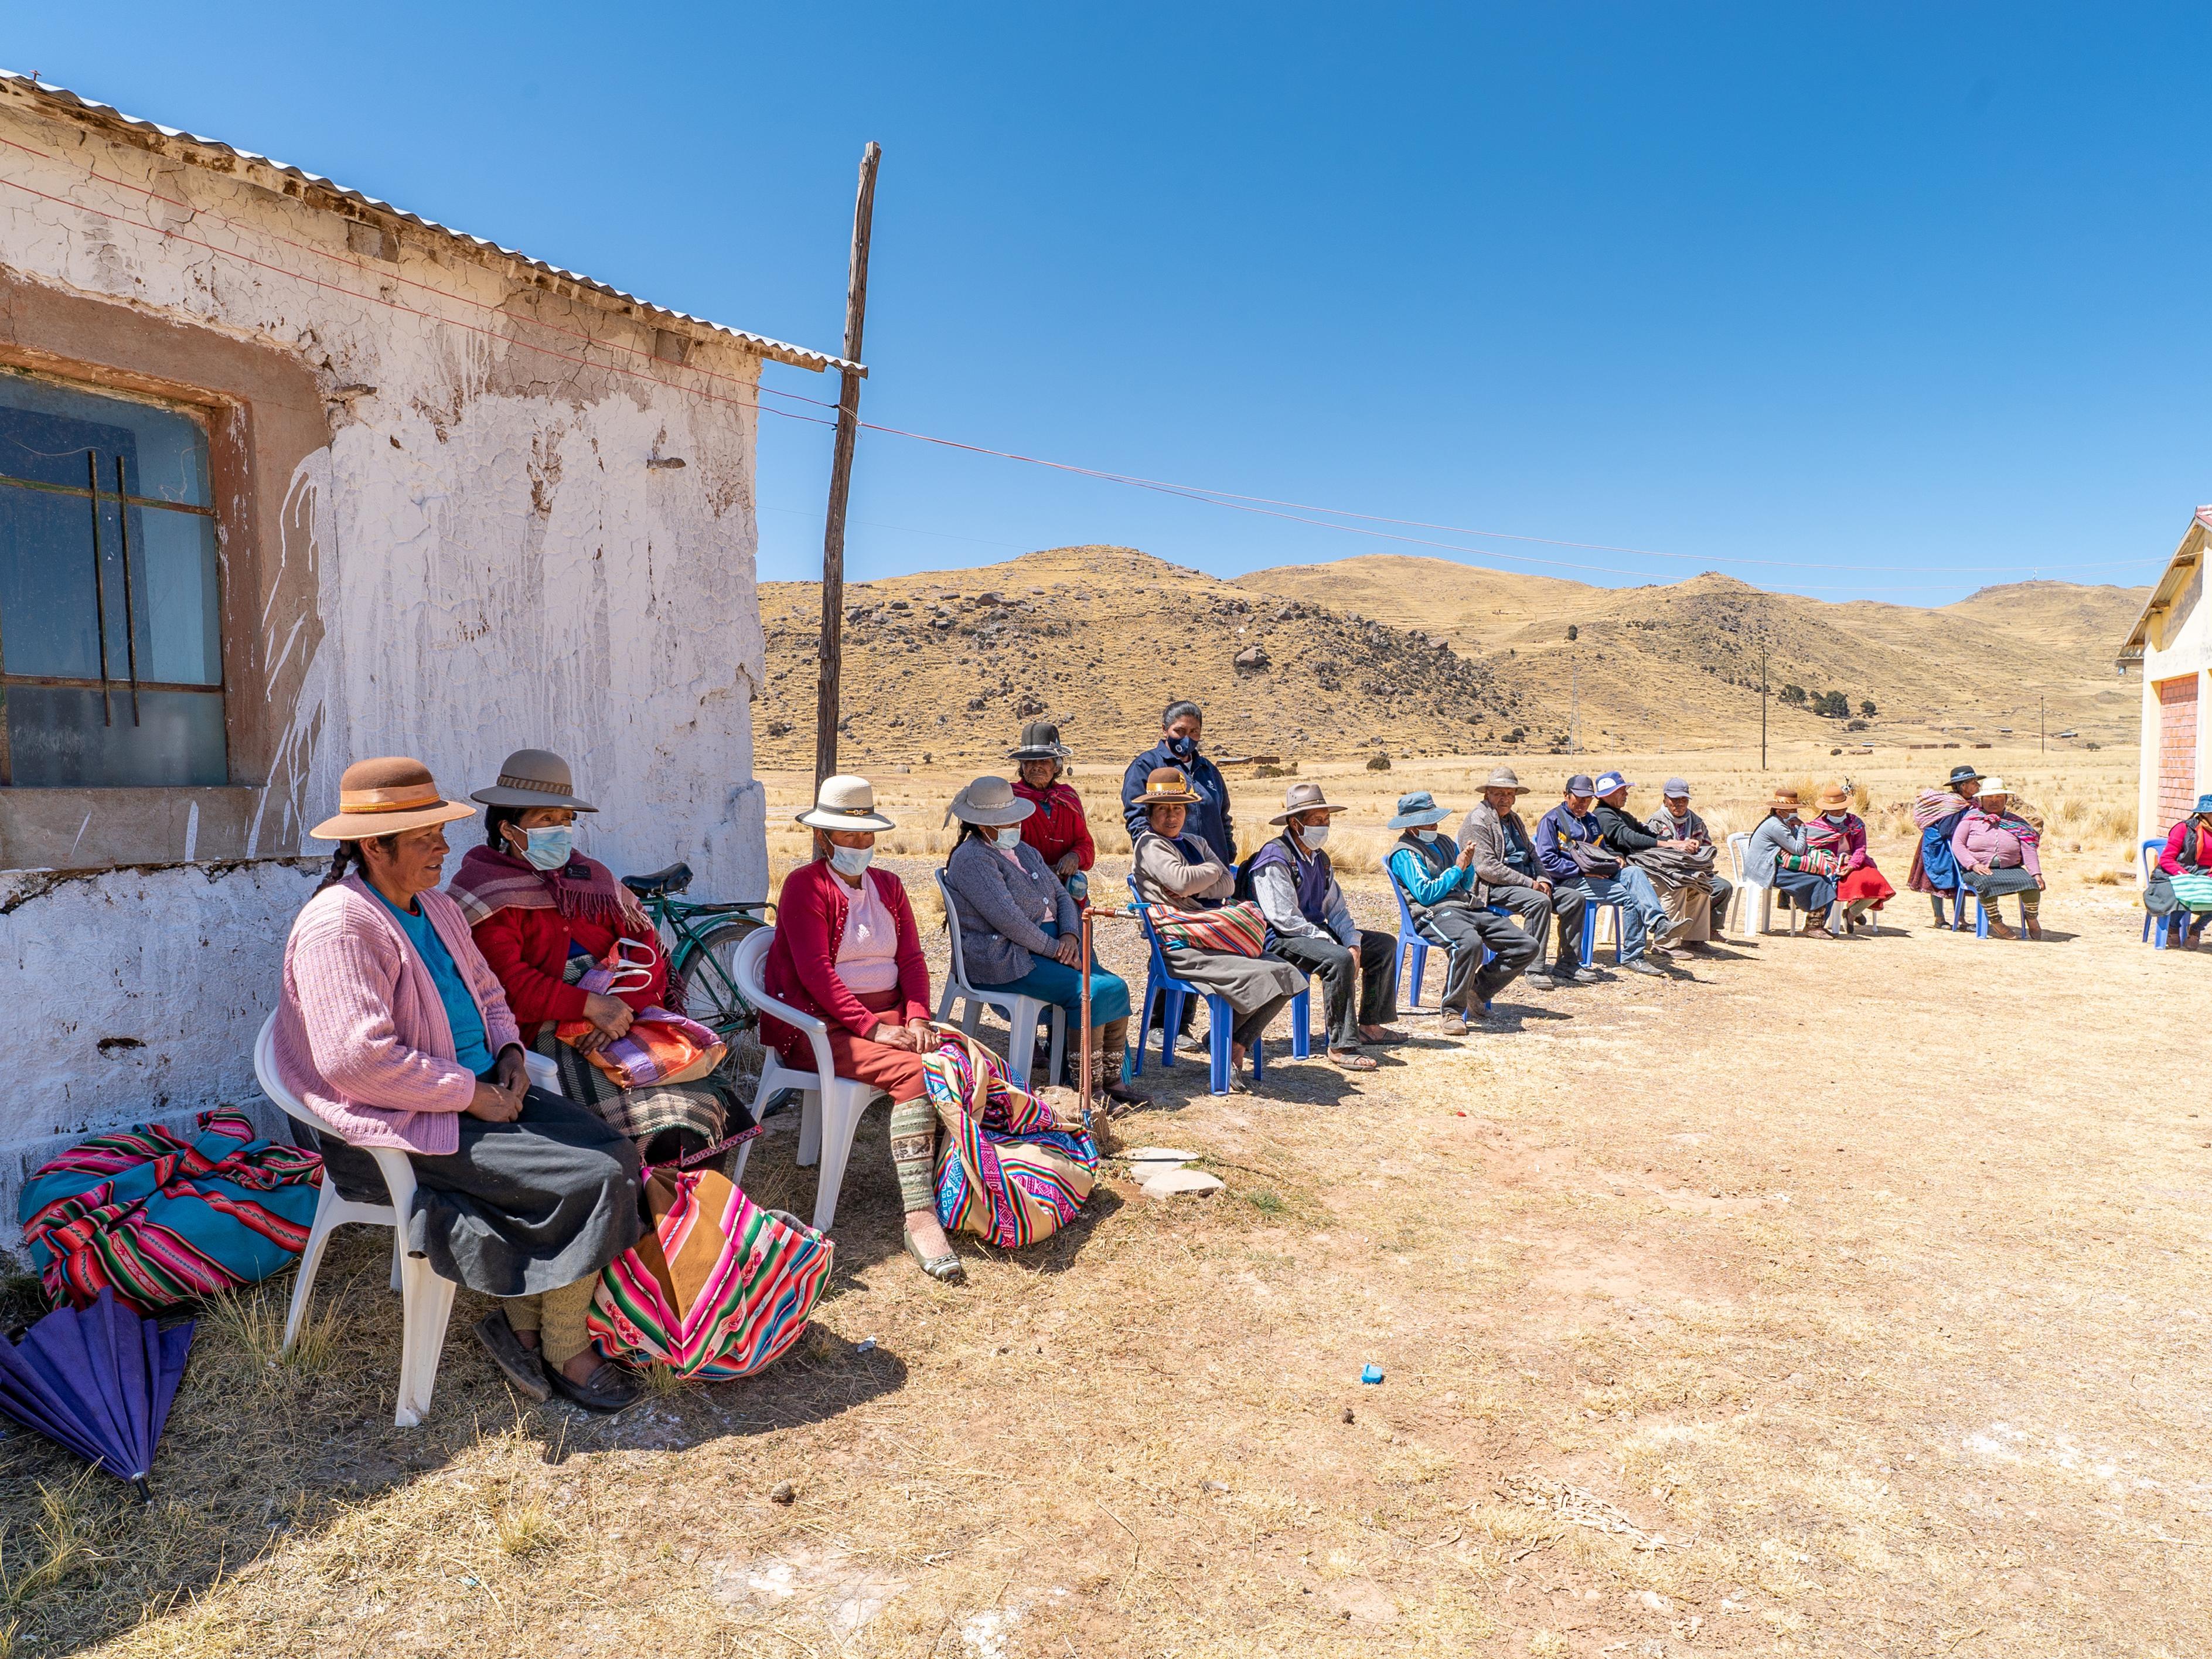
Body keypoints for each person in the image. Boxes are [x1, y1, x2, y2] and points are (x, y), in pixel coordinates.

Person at [272, 757, 643, 1412]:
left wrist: (508, 1053)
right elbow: (357, 1061)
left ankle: (520, 1325)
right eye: (424, 836)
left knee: (616, 1148)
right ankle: (562, 1346)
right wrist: (470, 1094)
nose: (443, 847)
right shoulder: (343, 926)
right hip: (400, 1124)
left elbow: (490, 993)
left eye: (440, 831)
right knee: (587, 1178)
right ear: (373, 845)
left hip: (477, 1095)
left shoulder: (437, 908)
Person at [448, 747, 749, 1170]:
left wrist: (622, 1011)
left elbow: (649, 953)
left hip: (623, 1014)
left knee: (702, 1094)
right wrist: (590, 1007)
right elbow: (508, 984)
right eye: (545, 820)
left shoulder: (591, 877)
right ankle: (650, 1214)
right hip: (546, 1028)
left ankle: (695, 1217)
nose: (561, 830)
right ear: (508, 828)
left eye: (566, 820)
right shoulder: (483, 888)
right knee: (655, 1124)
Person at [759, 775, 963, 1282]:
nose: (860, 845)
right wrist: (872, 1028)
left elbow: (913, 958)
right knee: (916, 1073)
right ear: (825, 837)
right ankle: (920, 1216)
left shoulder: (889, 887)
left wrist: (916, 1016)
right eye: (848, 837)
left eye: (866, 835)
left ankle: (966, 1187)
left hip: (883, 1018)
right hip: (818, 1028)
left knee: (957, 1055)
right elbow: (815, 973)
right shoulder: (805, 885)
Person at [942, 775, 1147, 1108]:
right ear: (982, 825)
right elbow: (1009, 921)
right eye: (1003, 821)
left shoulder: (1022, 850)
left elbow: (1062, 897)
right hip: (1006, 956)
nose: (1013, 826)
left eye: (1013, 819)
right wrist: (1058, 951)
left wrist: (1069, 935)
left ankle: (1112, 1082)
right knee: (1089, 992)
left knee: (1116, 986)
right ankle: (1087, 1090)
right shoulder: (973, 859)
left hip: (1045, 947)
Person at [1129, 767, 1306, 1089]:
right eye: (1164, 809)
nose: (1172, 816)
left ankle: (1232, 1042)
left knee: (1287, 972)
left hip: (1212, 937)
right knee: (1261, 974)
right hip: (1182, 946)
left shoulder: (1195, 842)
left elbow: (1225, 884)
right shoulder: (1150, 845)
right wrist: (1206, 874)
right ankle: (1230, 1051)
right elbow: (1185, 881)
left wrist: (1197, 881)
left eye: (1178, 808)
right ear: (1150, 812)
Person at [1248, 782, 1403, 1070]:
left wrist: (1354, 942)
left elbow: (1337, 909)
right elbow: (1284, 919)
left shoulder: (1320, 859)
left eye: (1326, 819)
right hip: (1280, 939)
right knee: (1338, 958)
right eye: (1317, 821)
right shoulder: (1275, 858)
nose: (1324, 826)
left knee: (1383, 946)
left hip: (1313, 933)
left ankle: (1370, 1024)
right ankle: (1342, 1043)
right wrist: (1334, 944)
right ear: (1296, 823)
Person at [1383, 789, 1540, 1034]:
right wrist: (1457, 868)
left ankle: (1476, 990)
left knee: (1526, 945)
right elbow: (1425, 894)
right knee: (1468, 943)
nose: (1434, 825)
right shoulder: (1405, 853)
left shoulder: (1443, 841)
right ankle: (1452, 1011)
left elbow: (1464, 886)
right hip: (1433, 914)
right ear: (1412, 826)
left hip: (1466, 906)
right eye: (1428, 822)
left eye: (1435, 820)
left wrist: (1467, 866)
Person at [1459, 765, 1595, 990]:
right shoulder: (1478, 820)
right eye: (1499, 793)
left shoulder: (1513, 819)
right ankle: (1534, 967)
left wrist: (1544, 879)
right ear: (1487, 795)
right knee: (1539, 901)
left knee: (1574, 899)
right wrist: (1530, 884)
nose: (1506, 799)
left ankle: (1568, 963)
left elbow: (1534, 854)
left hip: (1527, 882)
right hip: (1493, 887)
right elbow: (1486, 868)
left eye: (1510, 794)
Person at [1533, 774, 1682, 976]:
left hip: (1597, 874)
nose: (1583, 803)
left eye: (1588, 799)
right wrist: (1584, 871)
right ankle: (1633, 956)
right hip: (1568, 880)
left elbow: (1600, 850)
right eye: (1579, 798)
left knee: (1634, 873)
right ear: (1566, 795)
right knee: (1631, 897)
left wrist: (1613, 858)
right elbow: (1547, 861)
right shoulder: (1552, 820)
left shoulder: (1592, 820)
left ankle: (1659, 923)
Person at [1589, 770, 1710, 956]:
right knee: (1675, 883)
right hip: (1620, 874)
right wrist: (1672, 844)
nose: (1626, 794)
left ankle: (1694, 940)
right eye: (1622, 791)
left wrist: (1676, 843)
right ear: (1609, 794)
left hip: (1634, 870)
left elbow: (1645, 833)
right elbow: (1628, 838)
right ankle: (1665, 944)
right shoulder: (1603, 816)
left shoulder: (1623, 815)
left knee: (1698, 884)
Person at [1123, 700, 1235, 863]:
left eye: (1194, 731)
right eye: (1180, 731)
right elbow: (1138, 820)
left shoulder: (1209, 770)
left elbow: (1223, 816)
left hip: (1214, 869)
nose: (1187, 738)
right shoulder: (1146, 766)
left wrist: (1228, 851)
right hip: (1172, 869)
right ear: (1165, 730)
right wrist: (1158, 863)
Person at [1007, 721, 1095, 903]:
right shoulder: (1010, 799)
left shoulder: (1067, 798)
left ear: (1057, 766)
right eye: (1030, 761)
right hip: (1025, 891)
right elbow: (1003, 851)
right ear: (1022, 766)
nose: (1036, 766)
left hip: (1067, 890)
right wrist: (1043, 871)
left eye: (1044, 760)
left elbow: (1086, 845)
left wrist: (1075, 857)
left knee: (1081, 926)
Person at [1641, 778, 1734, 946]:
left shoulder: (1696, 821)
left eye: (1683, 799)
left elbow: (1708, 849)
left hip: (1693, 869)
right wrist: (1677, 849)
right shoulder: (1656, 822)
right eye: (1675, 800)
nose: (1679, 804)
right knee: (1681, 886)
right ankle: (1668, 943)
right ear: (1665, 799)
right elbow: (1651, 854)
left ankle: (1696, 939)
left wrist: (1697, 848)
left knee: (1711, 885)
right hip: (1666, 873)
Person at [1949, 777, 2044, 939]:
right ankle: (1996, 921)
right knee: (1986, 882)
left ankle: (2032, 917)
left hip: (2011, 869)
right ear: (1981, 800)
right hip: (1977, 869)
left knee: (2032, 884)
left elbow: (2029, 849)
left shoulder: (2017, 823)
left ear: (2006, 799)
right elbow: (1957, 844)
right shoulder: (1971, 819)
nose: (1994, 801)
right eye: (1989, 798)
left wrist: (2036, 873)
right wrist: (1973, 864)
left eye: (1999, 797)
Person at [1801, 782, 1895, 937]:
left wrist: (1852, 865)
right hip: (1830, 866)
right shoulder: (1816, 827)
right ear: (1826, 809)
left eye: (1841, 808)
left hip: (1855, 863)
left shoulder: (1855, 824)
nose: (1839, 812)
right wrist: (1833, 863)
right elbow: (1813, 850)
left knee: (1878, 884)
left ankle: (1852, 912)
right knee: (1832, 884)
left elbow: (1860, 848)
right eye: (1834, 810)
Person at [1747, 787, 1838, 934]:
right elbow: (1799, 850)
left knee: (1822, 879)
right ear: (1779, 811)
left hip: (1775, 864)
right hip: (1767, 869)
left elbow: (1800, 847)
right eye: (1791, 809)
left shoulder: (1783, 824)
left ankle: (1816, 924)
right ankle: (1814, 926)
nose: (1794, 812)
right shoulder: (1776, 826)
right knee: (1818, 881)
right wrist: (1802, 828)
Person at [1907, 764, 1981, 926]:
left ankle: (1960, 919)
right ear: (1963, 786)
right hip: (1938, 846)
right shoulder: (1952, 803)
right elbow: (1947, 829)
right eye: (1974, 782)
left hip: (1957, 845)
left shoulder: (1973, 803)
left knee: (1958, 880)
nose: (1978, 785)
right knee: (1936, 878)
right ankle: (1939, 919)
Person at [2155, 792, 2212, 944]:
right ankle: (2173, 926)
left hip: (2207, 874)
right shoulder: (2184, 829)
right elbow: (2166, 859)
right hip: (2179, 871)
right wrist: (2185, 876)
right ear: (2205, 813)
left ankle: (2197, 927)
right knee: (2187, 888)